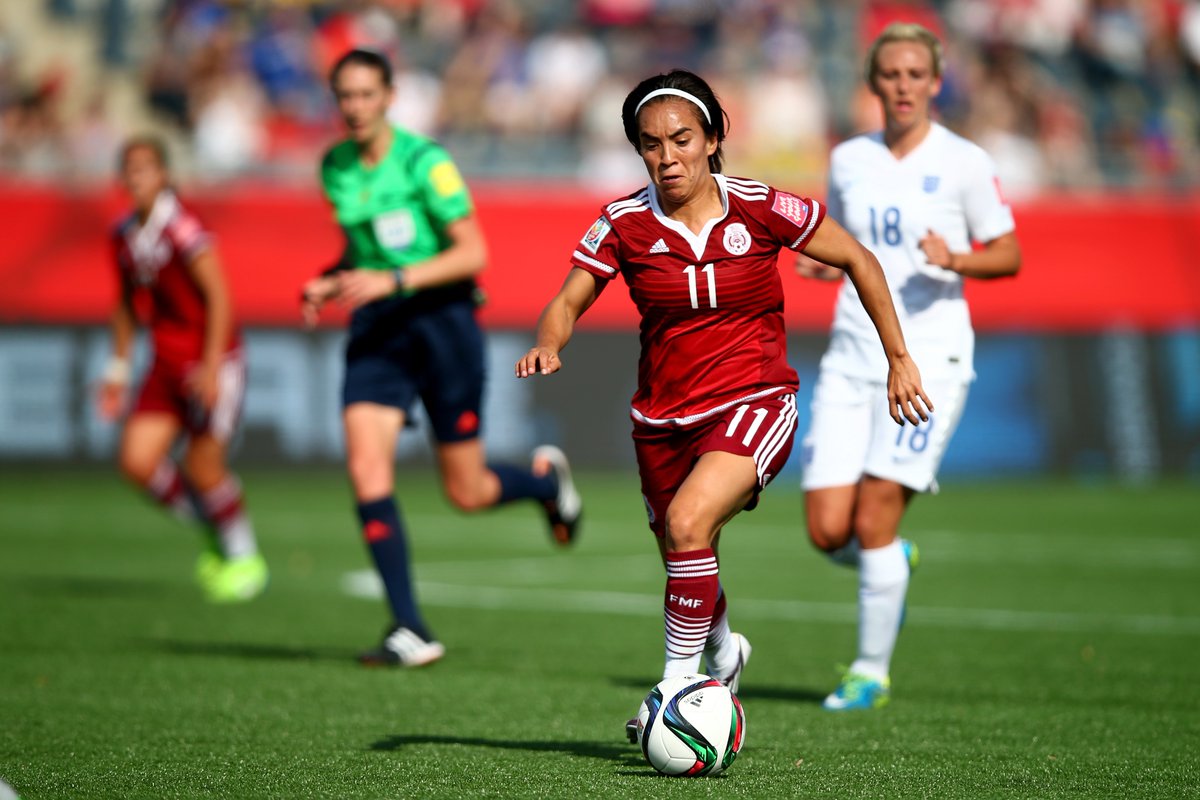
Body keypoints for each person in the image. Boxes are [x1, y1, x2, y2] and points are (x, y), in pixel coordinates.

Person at [515, 69, 932, 741]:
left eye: (682, 139)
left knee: (687, 522)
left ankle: (676, 691)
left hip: (756, 398)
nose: (667, 156)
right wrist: (549, 341)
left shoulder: (762, 207)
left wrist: (900, 359)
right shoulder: (623, 222)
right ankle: (724, 653)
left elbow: (857, 257)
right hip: (660, 418)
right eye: (651, 144)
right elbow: (568, 299)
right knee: (686, 546)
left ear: (713, 139)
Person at [300, 49, 582, 668]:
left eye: (366, 95)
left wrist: (394, 278)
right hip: (378, 331)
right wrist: (331, 280)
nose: (354, 108)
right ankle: (409, 628)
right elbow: (358, 251)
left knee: (469, 490)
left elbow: (471, 252)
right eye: (344, 96)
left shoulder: (426, 162)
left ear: (390, 96)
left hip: (442, 324)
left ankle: (542, 481)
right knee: (367, 470)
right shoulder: (335, 166)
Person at [797, 22, 1022, 711]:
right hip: (850, 352)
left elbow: (1008, 253)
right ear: (873, 83)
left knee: (874, 520)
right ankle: (889, 560)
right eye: (890, 74)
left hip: (929, 358)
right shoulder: (849, 159)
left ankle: (869, 672)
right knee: (826, 529)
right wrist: (817, 260)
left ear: (935, 81)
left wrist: (957, 258)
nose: (902, 86)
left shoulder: (965, 162)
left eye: (915, 74)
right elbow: (841, 239)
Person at [98, 135, 267, 603]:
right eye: (129, 170)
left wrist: (211, 366)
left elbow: (219, 296)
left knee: (203, 466)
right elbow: (126, 305)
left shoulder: (184, 230)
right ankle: (216, 526)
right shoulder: (124, 236)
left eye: (146, 169)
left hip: (212, 361)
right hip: (165, 361)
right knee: (137, 462)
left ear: (165, 174)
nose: (137, 179)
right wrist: (117, 369)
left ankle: (243, 555)